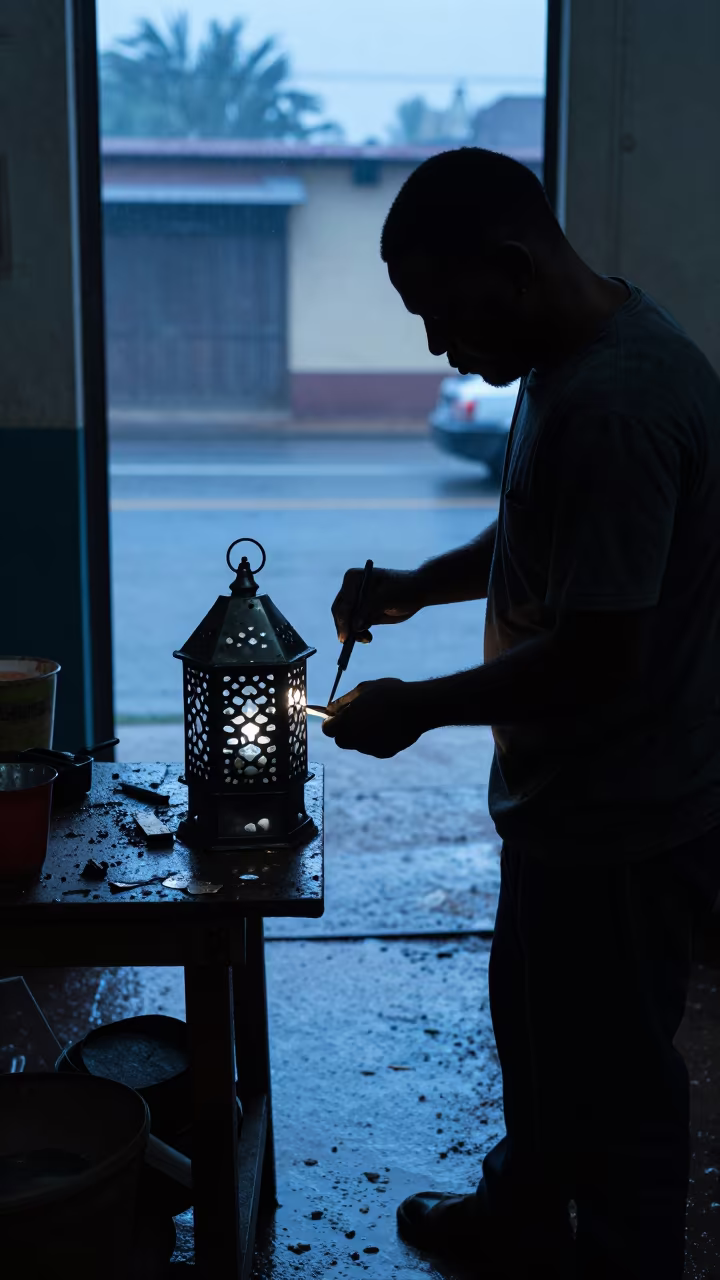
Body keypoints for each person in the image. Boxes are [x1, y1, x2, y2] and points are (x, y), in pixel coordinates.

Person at [322, 147, 720, 1279]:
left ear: (509, 263)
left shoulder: (621, 401)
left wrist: (418, 708)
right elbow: (543, 540)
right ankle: (525, 1209)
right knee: (541, 1038)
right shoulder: (567, 360)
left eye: (442, 313)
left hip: (625, 819)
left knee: (621, 1081)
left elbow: (601, 652)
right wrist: (416, 582)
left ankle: (629, 1259)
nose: (441, 347)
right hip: (566, 804)